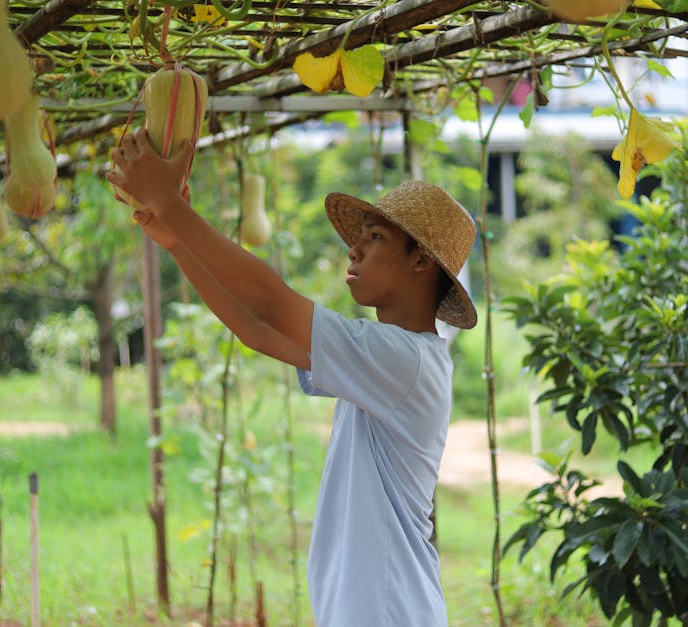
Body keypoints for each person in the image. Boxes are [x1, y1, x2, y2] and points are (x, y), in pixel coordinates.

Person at [107, 128, 477, 626]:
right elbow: (257, 329)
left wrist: (171, 206)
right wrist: (176, 241)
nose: (354, 251)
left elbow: (270, 303)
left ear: (421, 259)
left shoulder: (405, 361)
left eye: (374, 237)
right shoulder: (384, 359)